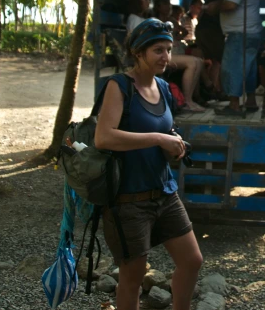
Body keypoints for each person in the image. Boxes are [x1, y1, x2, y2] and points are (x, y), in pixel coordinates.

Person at [94, 18, 203, 310]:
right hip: (128, 199)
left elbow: (165, 131)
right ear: (138, 52)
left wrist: (173, 144)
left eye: (168, 49)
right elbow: (103, 138)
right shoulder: (119, 86)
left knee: (192, 261)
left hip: (164, 193)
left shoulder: (165, 88)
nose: (166, 57)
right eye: (158, 50)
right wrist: (157, 139)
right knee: (133, 277)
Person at [214, 0, 263, 116]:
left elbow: (231, 5)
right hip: (251, 32)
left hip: (240, 33)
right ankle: (250, 101)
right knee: (248, 67)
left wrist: (213, 7)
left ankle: (234, 105)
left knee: (232, 67)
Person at [152, 0, 205, 112]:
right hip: (163, 55)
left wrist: (176, 37)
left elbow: (183, 32)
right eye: (165, 4)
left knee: (199, 61)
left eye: (169, 4)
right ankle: (186, 102)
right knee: (192, 63)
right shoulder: (155, 21)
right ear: (158, 6)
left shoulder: (171, 21)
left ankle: (191, 99)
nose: (169, 7)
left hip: (172, 52)